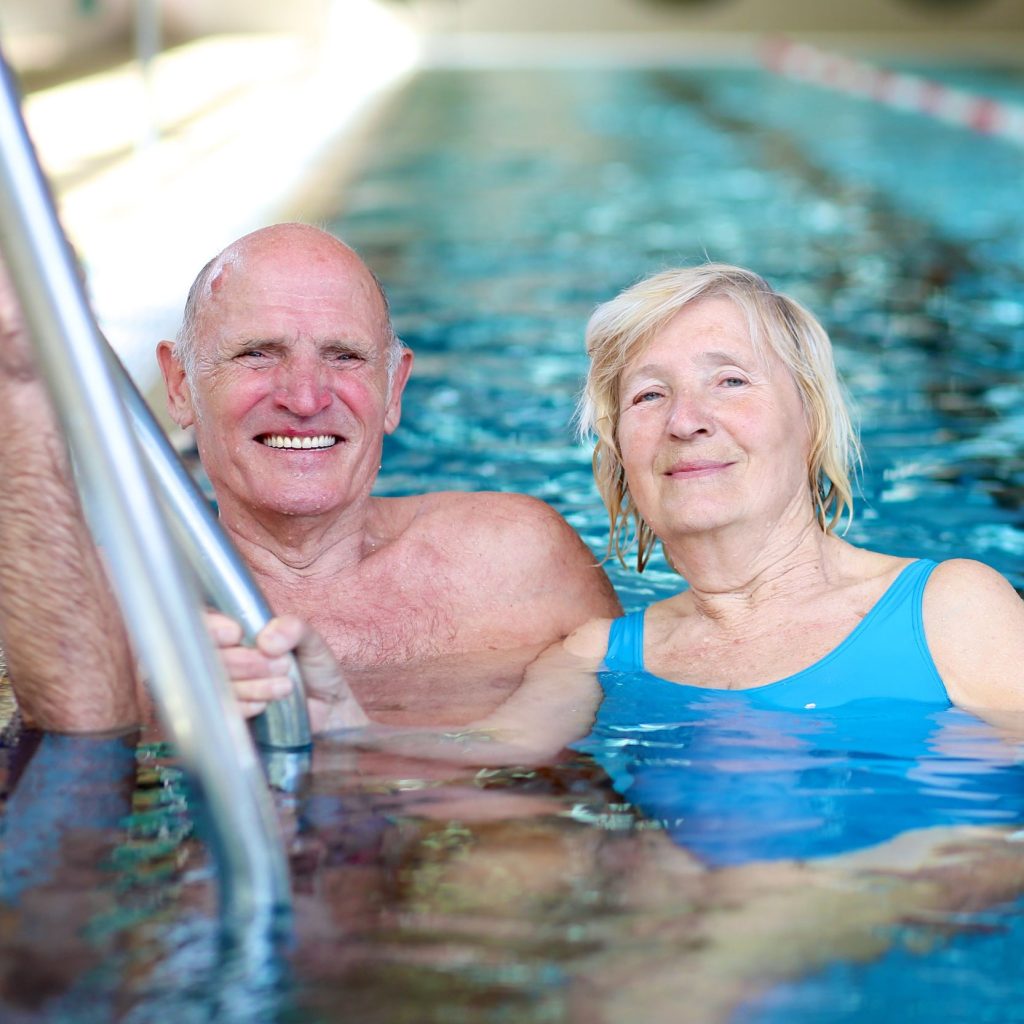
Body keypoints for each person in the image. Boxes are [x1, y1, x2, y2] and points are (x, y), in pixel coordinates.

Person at [224, 261, 1024, 745]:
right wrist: (343, 727)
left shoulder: (950, 611)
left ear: (811, 416)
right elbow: (483, 756)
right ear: (620, 461)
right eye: (648, 396)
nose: (686, 420)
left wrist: (818, 904)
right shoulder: (594, 657)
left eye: (731, 380)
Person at [0, 222, 620, 733]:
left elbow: (612, 784)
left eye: (343, 356)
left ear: (393, 388)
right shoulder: (107, 605)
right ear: (181, 387)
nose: (304, 397)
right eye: (257, 353)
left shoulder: (516, 561)